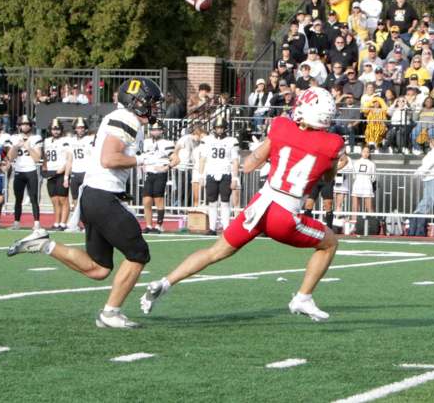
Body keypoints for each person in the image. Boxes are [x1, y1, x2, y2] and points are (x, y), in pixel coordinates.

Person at [140, 87, 345, 322]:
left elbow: (249, 165)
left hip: (259, 206)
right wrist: (332, 162)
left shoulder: (280, 126)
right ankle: (303, 297)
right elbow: (328, 177)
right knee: (329, 243)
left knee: (214, 252)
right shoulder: (333, 143)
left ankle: (165, 282)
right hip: (285, 214)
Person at [8, 77, 163, 329]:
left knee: (99, 268)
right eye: (151, 103)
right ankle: (110, 314)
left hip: (95, 195)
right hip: (102, 195)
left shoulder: (124, 118)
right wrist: (143, 160)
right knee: (138, 254)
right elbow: (109, 158)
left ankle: (44, 245)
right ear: (135, 102)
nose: (154, 108)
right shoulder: (127, 119)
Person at [200, 116, 239, 234]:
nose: (220, 130)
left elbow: (235, 160)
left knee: (225, 201)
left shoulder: (232, 141)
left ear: (225, 128)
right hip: (211, 173)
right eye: (217, 128)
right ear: (214, 128)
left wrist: (235, 177)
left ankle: (226, 228)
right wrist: (200, 176)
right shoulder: (207, 140)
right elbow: (203, 158)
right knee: (212, 201)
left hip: (225, 173)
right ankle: (212, 228)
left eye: (222, 128)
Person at [8, 115, 43, 230]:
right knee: (18, 198)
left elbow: (37, 158)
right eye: (23, 124)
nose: (25, 126)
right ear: (19, 126)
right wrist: (15, 147)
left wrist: (28, 148)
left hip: (31, 170)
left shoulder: (36, 138)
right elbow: (10, 158)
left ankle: (36, 223)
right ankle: (16, 222)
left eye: (27, 124)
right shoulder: (14, 138)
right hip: (19, 170)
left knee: (33, 198)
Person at [140, 121, 176, 234]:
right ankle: (149, 225)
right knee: (146, 200)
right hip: (149, 173)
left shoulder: (166, 143)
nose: (155, 132)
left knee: (158, 199)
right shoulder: (145, 142)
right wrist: (142, 165)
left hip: (160, 173)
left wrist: (166, 167)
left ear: (162, 131)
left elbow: (176, 159)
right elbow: (139, 156)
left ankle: (159, 225)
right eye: (153, 130)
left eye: (157, 129)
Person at [42, 118, 72, 231]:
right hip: (50, 172)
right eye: (54, 129)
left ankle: (63, 223)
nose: (56, 131)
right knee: (54, 200)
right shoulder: (47, 141)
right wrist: (45, 169)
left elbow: (69, 157)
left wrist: (64, 170)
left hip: (61, 171)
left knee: (63, 199)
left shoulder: (66, 140)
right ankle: (56, 222)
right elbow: (45, 156)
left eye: (58, 129)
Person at [67, 117, 94, 231]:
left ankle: (88, 224)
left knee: (86, 201)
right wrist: (65, 176)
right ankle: (76, 223)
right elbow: (69, 159)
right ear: (75, 129)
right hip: (75, 172)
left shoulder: (90, 139)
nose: (81, 129)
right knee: (75, 199)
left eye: (82, 127)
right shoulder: (71, 141)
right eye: (78, 127)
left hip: (86, 172)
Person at [350, 145, 376, 234]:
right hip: (357, 185)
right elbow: (354, 175)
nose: (365, 153)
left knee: (369, 207)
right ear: (361, 152)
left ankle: (372, 226)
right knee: (355, 207)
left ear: (369, 154)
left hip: (367, 186)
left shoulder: (372, 164)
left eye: (367, 152)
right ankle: (353, 226)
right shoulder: (356, 162)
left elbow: (373, 177)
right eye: (364, 151)